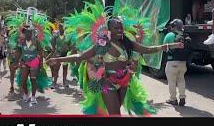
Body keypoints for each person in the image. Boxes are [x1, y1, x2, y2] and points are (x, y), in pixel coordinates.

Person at [47, 17, 184, 115]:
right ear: (109, 29)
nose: (120, 30)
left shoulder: (127, 43)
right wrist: (58, 59)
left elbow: (147, 49)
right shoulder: (103, 44)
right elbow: (81, 56)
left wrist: (171, 45)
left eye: (121, 27)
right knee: (115, 114)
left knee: (115, 111)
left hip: (124, 82)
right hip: (107, 83)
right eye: (116, 28)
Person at [163, 19, 192, 106]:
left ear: (174, 26)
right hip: (183, 63)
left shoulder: (170, 35)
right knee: (181, 80)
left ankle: (173, 99)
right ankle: (182, 98)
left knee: (172, 81)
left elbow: (164, 48)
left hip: (172, 63)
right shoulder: (185, 35)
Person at [12, 26, 43, 105]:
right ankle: (26, 94)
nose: (28, 34)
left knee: (33, 79)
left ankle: (33, 97)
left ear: (32, 33)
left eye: (30, 32)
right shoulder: (21, 42)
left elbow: (40, 53)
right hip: (24, 62)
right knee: (23, 80)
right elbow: (18, 52)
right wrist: (16, 62)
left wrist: (41, 65)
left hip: (34, 62)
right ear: (24, 34)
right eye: (27, 33)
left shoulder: (36, 42)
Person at [48, 23, 71, 89]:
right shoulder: (55, 35)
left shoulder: (67, 36)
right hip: (58, 54)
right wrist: (54, 50)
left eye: (62, 27)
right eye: (60, 27)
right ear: (58, 28)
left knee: (65, 68)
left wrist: (68, 49)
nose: (61, 28)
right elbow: (52, 42)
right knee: (56, 68)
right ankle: (54, 83)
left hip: (65, 54)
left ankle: (64, 82)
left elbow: (70, 44)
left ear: (64, 28)